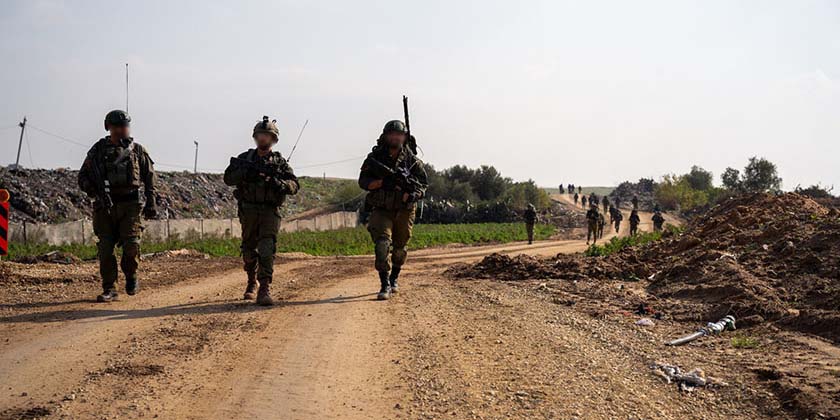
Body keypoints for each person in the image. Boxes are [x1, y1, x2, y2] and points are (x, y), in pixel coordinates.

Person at [78, 110, 158, 302]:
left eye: (125, 126)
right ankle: (110, 288)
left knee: (131, 245)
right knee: (105, 249)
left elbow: (150, 178)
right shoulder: (97, 151)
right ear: (109, 128)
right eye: (117, 127)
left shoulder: (137, 151)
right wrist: (95, 191)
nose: (122, 130)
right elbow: (82, 177)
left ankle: (131, 276)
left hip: (131, 205)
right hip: (104, 207)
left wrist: (151, 202)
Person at [224, 116, 300, 306]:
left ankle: (264, 287)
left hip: (269, 211)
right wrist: (244, 173)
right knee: (249, 249)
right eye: (260, 135)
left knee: (267, 249)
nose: (263, 139)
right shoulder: (244, 159)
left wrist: (279, 184)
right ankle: (251, 282)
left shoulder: (279, 163)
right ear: (255, 137)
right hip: (248, 210)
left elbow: (294, 185)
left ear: (273, 139)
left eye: (267, 135)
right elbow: (228, 178)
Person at [358, 120, 428, 300]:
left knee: (400, 249)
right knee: (382, 245)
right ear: (385, 136)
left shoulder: (412, 161)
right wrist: (382, 183)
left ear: (404, 137)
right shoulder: (375, 158)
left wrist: (412, 195)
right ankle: (384, 284)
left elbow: (423, 185)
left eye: (399, 135)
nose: (396, 137)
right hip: (382, 209)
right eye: (392, 134)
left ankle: (394, 277)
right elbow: (363, 182)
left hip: (404, 210)